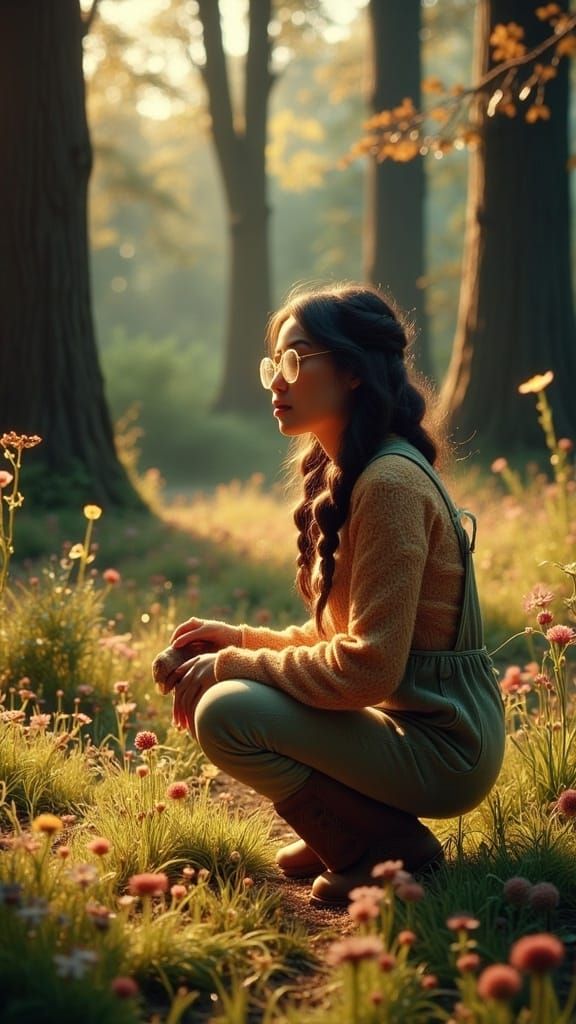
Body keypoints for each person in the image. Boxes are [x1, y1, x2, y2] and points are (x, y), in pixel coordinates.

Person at [154, 283, 506, 906]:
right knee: (239, 689)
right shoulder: (360, 473)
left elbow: (367, 668)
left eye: (296, 359)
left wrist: (230, 666)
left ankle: (376, 846)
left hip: (447, 747)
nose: (276, 382)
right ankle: (354, 823)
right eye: (274, 364)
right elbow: (342, 643)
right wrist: (235, 640)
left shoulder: (390, 483)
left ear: (351, 371)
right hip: (412, 725)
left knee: (228, 710)